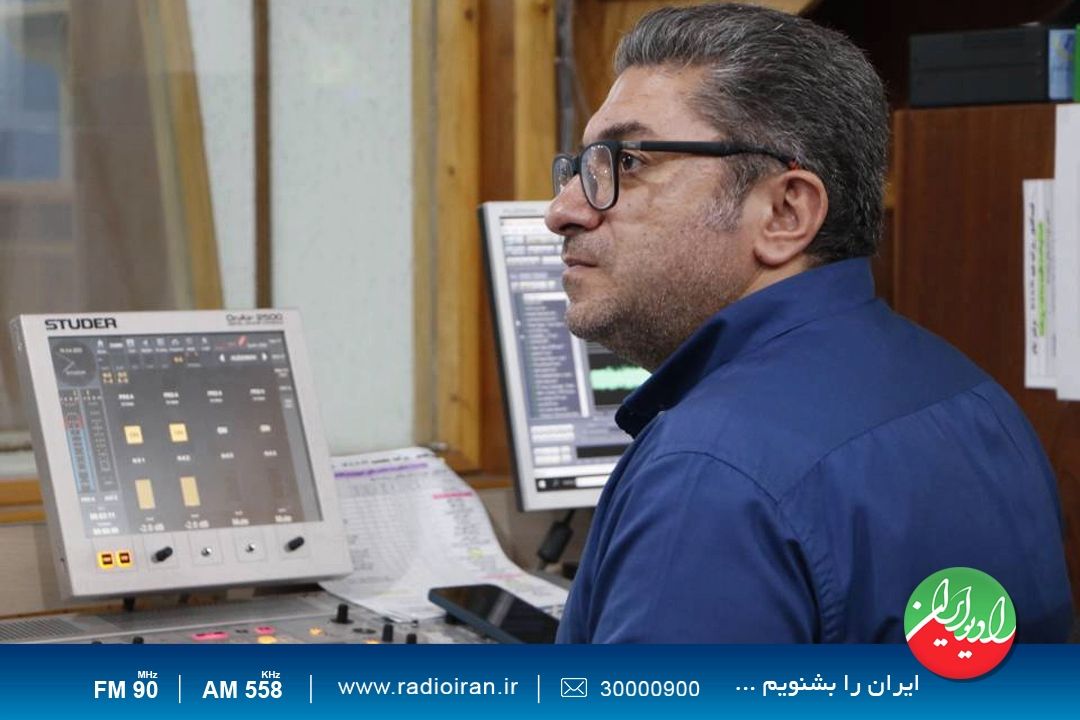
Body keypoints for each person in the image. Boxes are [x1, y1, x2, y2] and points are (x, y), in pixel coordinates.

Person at [545, 3, 1072, 643]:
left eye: (627, 162)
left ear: (785, 213)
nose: (562, 210)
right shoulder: (977, 401)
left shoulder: (710, 476)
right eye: (580, 168)